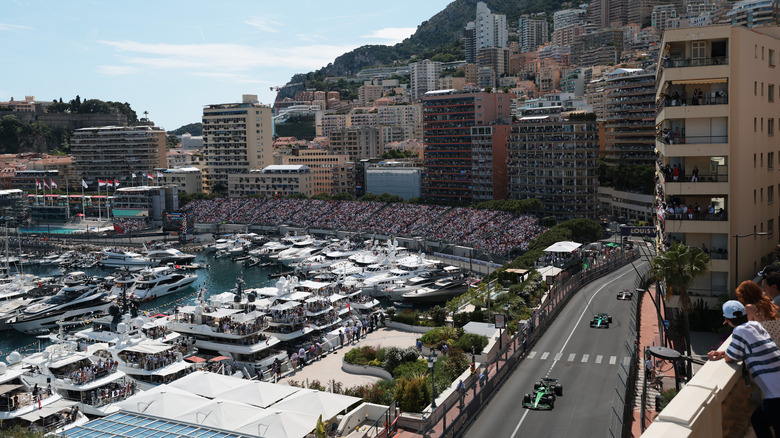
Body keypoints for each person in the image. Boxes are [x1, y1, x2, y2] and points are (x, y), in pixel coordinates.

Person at [707, 300, 780, 438]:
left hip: (776, 396)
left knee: (759, 421)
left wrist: (724, 354)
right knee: (761, 420)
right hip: (777, 390)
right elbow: (747, 348)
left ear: (727, 320)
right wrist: (723, 352)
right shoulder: (756, 326)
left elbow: (731, 358)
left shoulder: (739, 331)